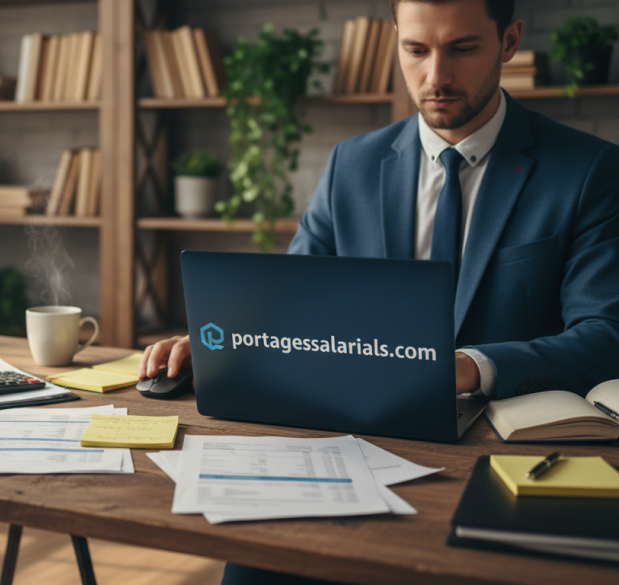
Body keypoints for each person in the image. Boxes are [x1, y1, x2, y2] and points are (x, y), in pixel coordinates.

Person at [140, 0, 619, 582]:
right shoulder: (352, 165)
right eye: (415, 49)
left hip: (499, 469)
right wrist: (220, 343)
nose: (436, 76)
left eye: (462, 48)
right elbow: (289, 305)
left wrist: (471, 365)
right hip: (347, 448)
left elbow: (605, 335)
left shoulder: (590, 171)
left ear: (510, 41)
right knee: (255, 567)